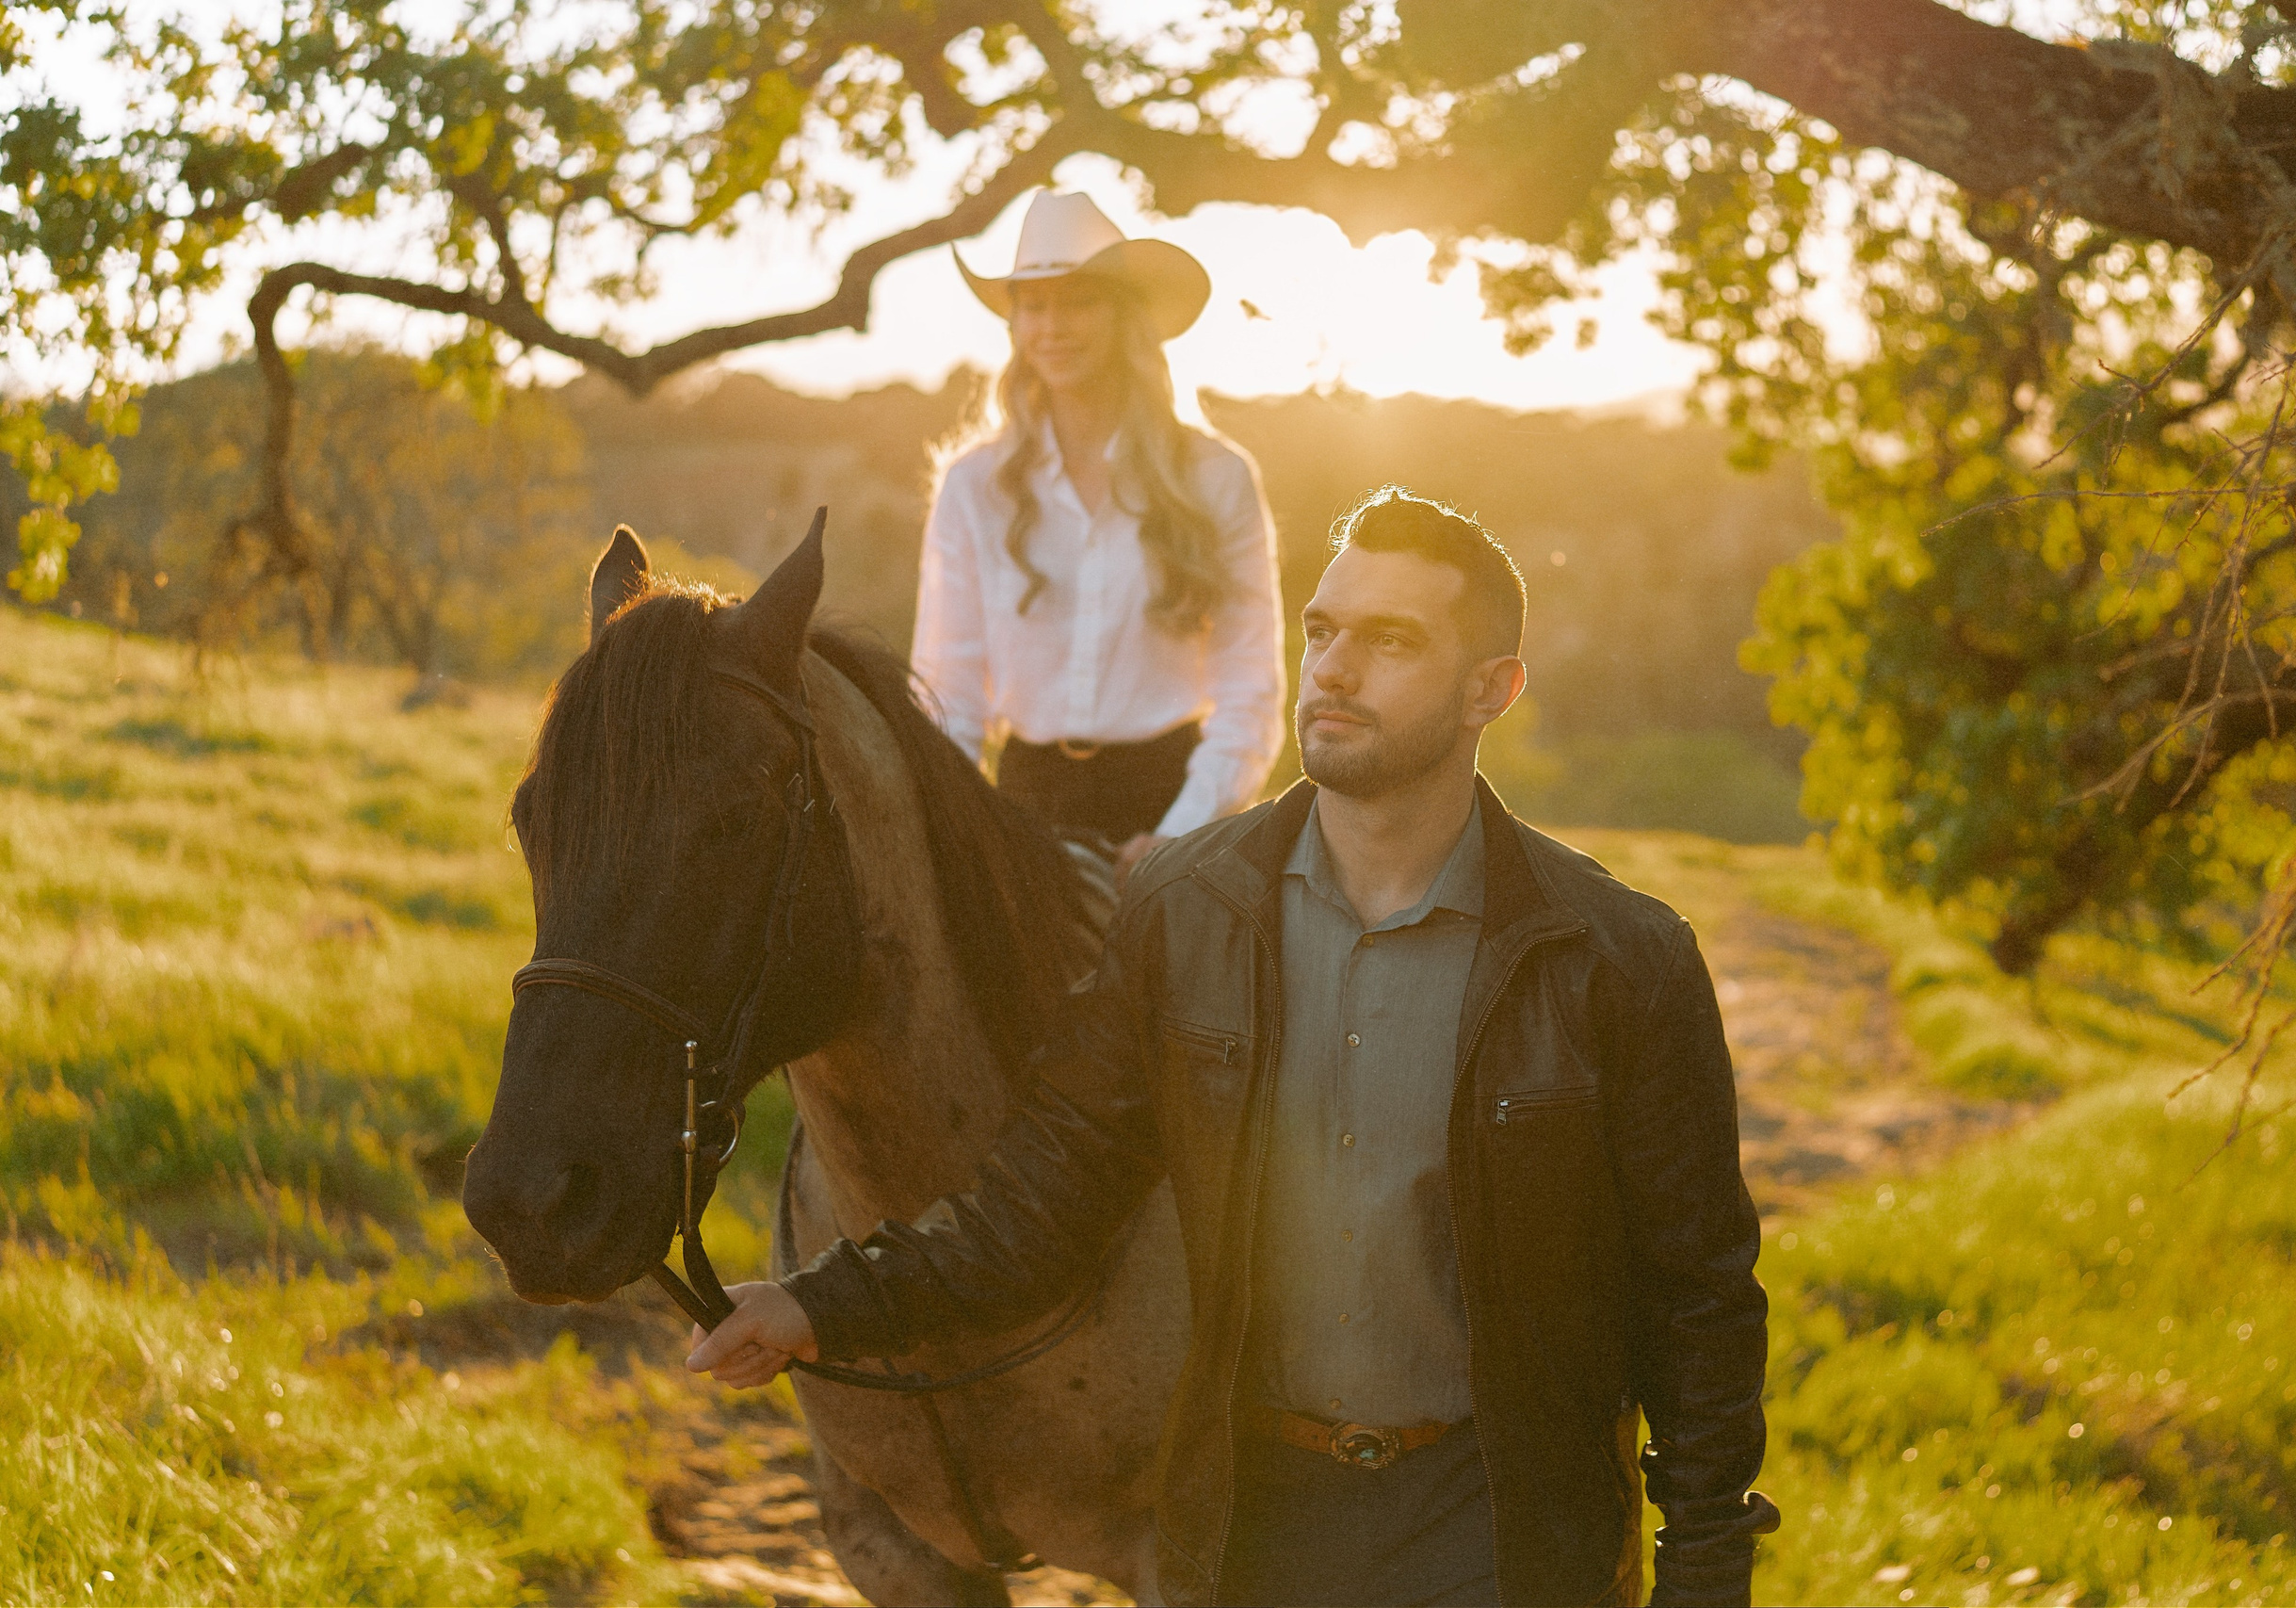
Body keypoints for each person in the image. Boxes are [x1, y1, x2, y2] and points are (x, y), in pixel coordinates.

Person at [689, 487, 1780, 1607]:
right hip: (1253, 1532)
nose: (1337, 669)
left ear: (1488, 690)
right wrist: (822, 1304)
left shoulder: (1615, 957)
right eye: (1323, 631)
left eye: (1391, 640)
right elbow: (1047, 1199)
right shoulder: (1184, 911)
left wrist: (1704, 1566)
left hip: (1497, 1536)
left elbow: (1695, 1297)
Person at [916, 189, 1285, 878]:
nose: (1053, 325)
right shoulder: (974, 487)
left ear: (1125, 314)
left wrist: (1178, 839)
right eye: (1034, 303)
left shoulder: (1217, 478)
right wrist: (961, 833)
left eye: (1078, 299)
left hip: (1175, 803)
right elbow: (948, 694)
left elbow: (1250, 693)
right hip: (1022, 814)